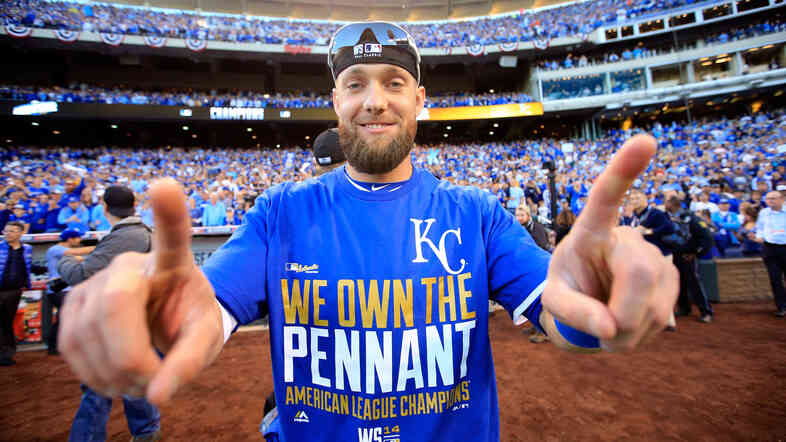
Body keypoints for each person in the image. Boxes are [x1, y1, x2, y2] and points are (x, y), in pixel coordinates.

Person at [57, 22, 678, 442]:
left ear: (421, 100)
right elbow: (209, 308)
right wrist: (164, 321)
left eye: (394, 83)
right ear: (336, 102)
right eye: (356, 84)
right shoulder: (280, 212)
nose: (374, 100)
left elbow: (559, 311)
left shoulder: (477, 212)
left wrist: (594, 306)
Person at [57, 186, 161, 442]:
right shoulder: (142, 233)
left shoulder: (128, 236)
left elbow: (81, 274)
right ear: (133, 205)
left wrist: (62, 259)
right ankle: (146, 432)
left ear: (104, 207)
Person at [664, 196, 714, 323]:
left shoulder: (690, 217)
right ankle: (684, 308)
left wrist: (697, 253)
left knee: (694, 283)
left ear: (672, 204)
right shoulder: (667, 217)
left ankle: (706, 312)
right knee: (679, 283)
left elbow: (706, 236)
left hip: (688, 256)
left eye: (666, 201)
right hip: (674, 255)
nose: (664, 204)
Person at [0, 221, 44, 366]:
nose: (7, 233)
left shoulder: (27, 249)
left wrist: (46, 268)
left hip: (13, 291)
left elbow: (29, 266)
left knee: (7, 323)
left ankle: (6, 354)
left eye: (12, 231)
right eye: (6, 231)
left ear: (21, 233)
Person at [44, 228, 93, 354]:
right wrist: (102, 246)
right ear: (70, 239)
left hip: (67, 288)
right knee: (64, 316)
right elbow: (78, 252)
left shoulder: (68, 253)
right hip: (58, 288)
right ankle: (54, 346)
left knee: (68, 316)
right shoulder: (55, 249)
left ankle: (63, 345)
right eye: (78, 237)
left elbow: (83, 258)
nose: (80, 240)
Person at [515, 204, 551, 343]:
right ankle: (536, 325)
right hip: (531, 269)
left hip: (542, 268)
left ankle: (544, 332)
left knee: (542, 301)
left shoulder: (537, 228)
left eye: (521, 215)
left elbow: (541, 248)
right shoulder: (521, 228)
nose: (518, 218)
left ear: (528, 216)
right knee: (533, 300)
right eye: (517, 215)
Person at [752, 191, 786, 317]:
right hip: (770, 248)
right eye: (768, 199)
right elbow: (760, 228)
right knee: (775, 279)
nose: (770, 201)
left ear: (782, 199)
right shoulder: (763, 213)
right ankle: (781, 306)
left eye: (773, 198)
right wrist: (759, 237)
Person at [628, 189, 675, 256]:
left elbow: (670, 228)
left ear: (645, 198)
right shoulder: (634, 216)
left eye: (637, 198)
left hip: (660, 255)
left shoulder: (655, 213)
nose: (635, 201)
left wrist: (650, 231)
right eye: (632, 199)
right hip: (644, 255)